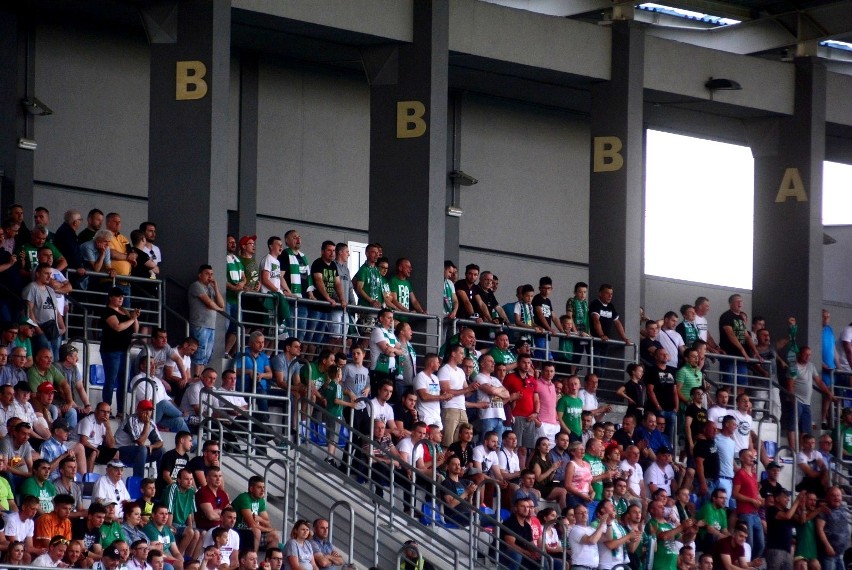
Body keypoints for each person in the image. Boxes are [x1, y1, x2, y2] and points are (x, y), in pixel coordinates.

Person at [99, 287, 140, 418]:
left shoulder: (124, 311)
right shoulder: (107, 311)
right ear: (110, 297)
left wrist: (135, 318)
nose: (121, 298)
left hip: (124, 351)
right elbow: (117, 327)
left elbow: (135, 329)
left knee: (124, 381)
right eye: (118, 296)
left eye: (122, 296)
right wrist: (132, 319)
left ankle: (121, 410)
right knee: (111, 380)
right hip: (111, 350)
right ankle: (107, 409)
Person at [188, 265, 225, 377]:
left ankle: (200, 378)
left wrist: (216, 288)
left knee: (206, 355)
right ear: (200, 275)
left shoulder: (210, 288)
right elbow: (209, 303)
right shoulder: (196, 286)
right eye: (207, 274)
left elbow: (221, 303)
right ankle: (196, 377)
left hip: (210, 326)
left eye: (211, 274)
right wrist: (219, 309)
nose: (210, 277)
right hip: (200, 324)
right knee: (199, 353)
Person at [116, 400, 164, 478]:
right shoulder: (132, 419)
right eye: (145, 410)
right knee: (142, 449)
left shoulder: (150, 422)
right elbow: (140, 442)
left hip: (137, 454)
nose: (148, 413)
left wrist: (152, 446)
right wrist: (147, 424)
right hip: (121, 452)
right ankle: (138, 480)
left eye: (150, 410)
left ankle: (161, 482)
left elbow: (160, 442)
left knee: (161, 451)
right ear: (138, 411)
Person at [232, 476, 280, 552]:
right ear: (251, 489)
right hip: (237, 530)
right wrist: (269, 529)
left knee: (274, 535)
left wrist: (260, 519)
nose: (262, 490)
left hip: (252, 533)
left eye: (263, 487)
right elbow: (252, 525)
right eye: (259, 487)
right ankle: (253, 559)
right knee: (256, 531)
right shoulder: (244, 498)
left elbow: (267, 523)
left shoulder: (261, 500)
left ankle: (269, 562)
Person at [816, 486, 849, 570]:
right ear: (827, 497)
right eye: (833, 495)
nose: (836, 498)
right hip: (829, 554)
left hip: (840, 552)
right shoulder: (824, 510)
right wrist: (827, 546)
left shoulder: (843, 507)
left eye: (838, 495)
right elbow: (819, 529)